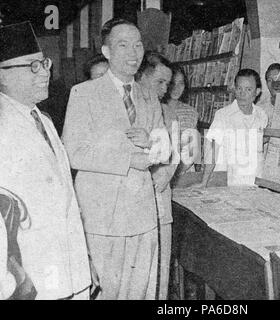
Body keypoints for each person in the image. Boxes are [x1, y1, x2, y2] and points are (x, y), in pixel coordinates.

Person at [62, 18, 170, 300]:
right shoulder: (83, 93)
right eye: (123, 45)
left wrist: (154, 143)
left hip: (143, 217)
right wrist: (128, 158)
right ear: (107, 52)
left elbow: (163, 149)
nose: (134, 53)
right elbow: (73, 152)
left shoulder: (149, 95)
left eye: (138, 46)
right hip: (103, 220)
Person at [0, 21, 91, 299]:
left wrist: (83, 262)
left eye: (44, 63)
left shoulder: (44, 119)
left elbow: (66, 200)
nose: (45, 73)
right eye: (32, 66)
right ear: (2, 75)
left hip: (68, 270)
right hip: (30, 279)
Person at [135, 51, 177, 300]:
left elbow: (176, 154)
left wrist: (167, 173)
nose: (165, 89)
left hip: (160, 204)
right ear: (142, 76)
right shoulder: (125, 106)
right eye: (160, 82)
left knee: (160, 273)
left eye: (167, 84)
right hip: (132, 207)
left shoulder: (167, 113)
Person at [195, 69, 268, 187]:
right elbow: (212, 150)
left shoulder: (262, 115)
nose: (242, 94)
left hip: (254, 183)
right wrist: (204, 182)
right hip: (228, 183)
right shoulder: (223, 115)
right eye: (239, 88)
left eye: (248, 89)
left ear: (257, 92)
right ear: (235, 89)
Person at [161, 64, 199, 177]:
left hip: (184, 172)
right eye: (173, 83)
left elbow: (193, 148)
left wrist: (179, 171)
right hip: (160, 171)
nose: (177, 88)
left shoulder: (191, 112)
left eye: (181, 83)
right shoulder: (156, 108)